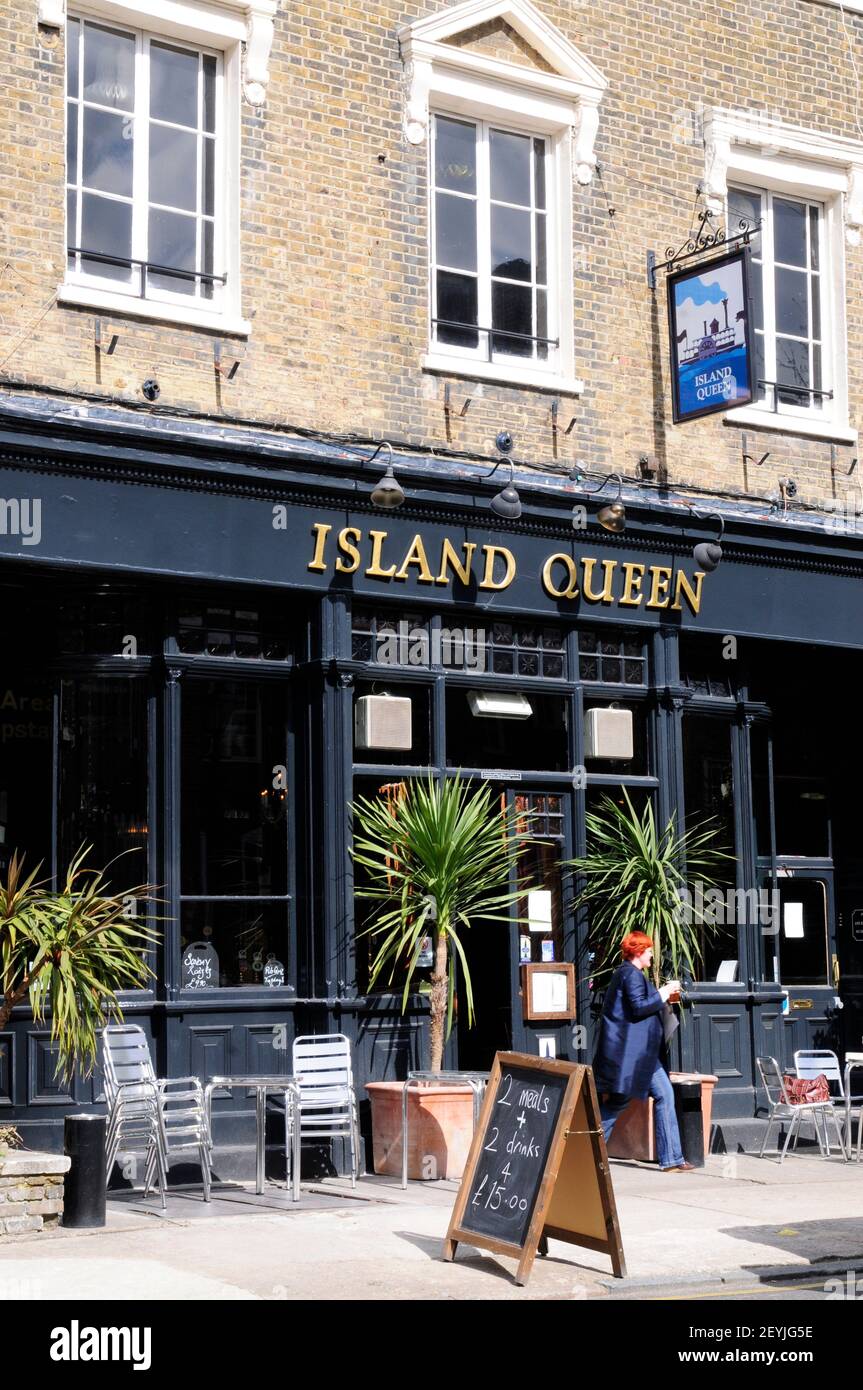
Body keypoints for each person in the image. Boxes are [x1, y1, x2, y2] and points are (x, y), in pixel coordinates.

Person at [593, 930, 693, 1172]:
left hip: (640, 1055)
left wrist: (661, 996)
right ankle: (590, 1154)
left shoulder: (627, 974)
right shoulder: (631, 975)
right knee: (619, 1103)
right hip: (634, 1056)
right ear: (638, 952)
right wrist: (663, 993)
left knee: (663, 1095)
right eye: (648, 951)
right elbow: (639, 1007)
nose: (651, 956)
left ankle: (672, 1159)